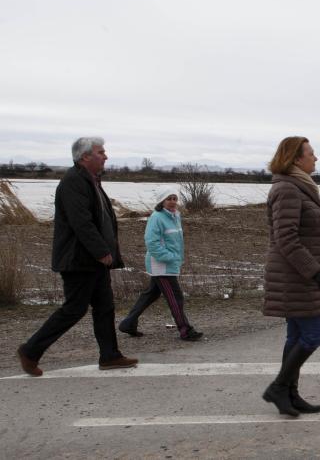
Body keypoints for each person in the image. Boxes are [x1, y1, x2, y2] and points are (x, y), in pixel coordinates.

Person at [16, 137, 138, 377]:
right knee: (74, 309)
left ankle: (110, 355)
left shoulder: (91, 180)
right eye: (101, 152)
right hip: (78, 260)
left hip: (92, 260)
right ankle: (30, 350)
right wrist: (102, 251)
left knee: (104, 307)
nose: (106, 156)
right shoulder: (74, 182)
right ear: (85, 157)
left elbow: (100, 220)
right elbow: (81, 222)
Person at [261, 136, 320, 417]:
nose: (315, 158)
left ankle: (290, 394)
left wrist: (317, 267)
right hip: (294, 275)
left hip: (297, 273)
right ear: (295, 159)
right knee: (314, 334)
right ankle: (279, 388)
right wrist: (314, 270)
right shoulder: (288, 189)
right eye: (311, 154)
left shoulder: (299, 187)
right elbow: (286, 238)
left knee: (296, 335)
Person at [117, 192, 203, 341]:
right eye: (168, 199)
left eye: (174, 199)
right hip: (161, 265)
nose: (172, 202)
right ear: (161, 201)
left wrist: (175, 259)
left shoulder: (175, 216)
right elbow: (152, 243)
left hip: (170, 264)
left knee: (151, 294)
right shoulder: (156, 217)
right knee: (175, 298)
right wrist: (170, 258)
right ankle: (185, 330)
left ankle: (128, 323)